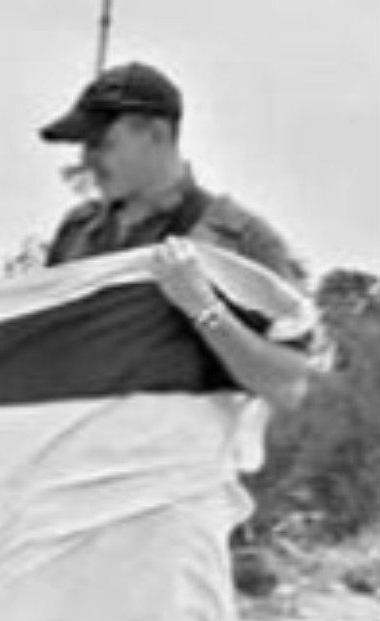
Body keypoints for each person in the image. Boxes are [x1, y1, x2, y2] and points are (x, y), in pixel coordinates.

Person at [38, 61, 325, 411]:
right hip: (82, 459)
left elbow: (289, 386)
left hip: (181, 460)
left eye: (102, 144)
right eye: (85, 147)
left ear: (157, 135)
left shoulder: (239, 239)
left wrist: (203, 309)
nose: (88, 160)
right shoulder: (75, 234)